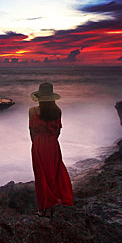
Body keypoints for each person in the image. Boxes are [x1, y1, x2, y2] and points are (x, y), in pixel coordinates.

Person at [29, 82, 73, 218]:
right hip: (53, 144)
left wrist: (36, 143)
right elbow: (58, 131)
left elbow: (31, 131)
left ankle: (42, 208)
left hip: (38, 144)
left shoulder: (32, 111)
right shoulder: (58, 111)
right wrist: (51, 140)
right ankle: (51, 208)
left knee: (41, 176)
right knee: (53, 175)